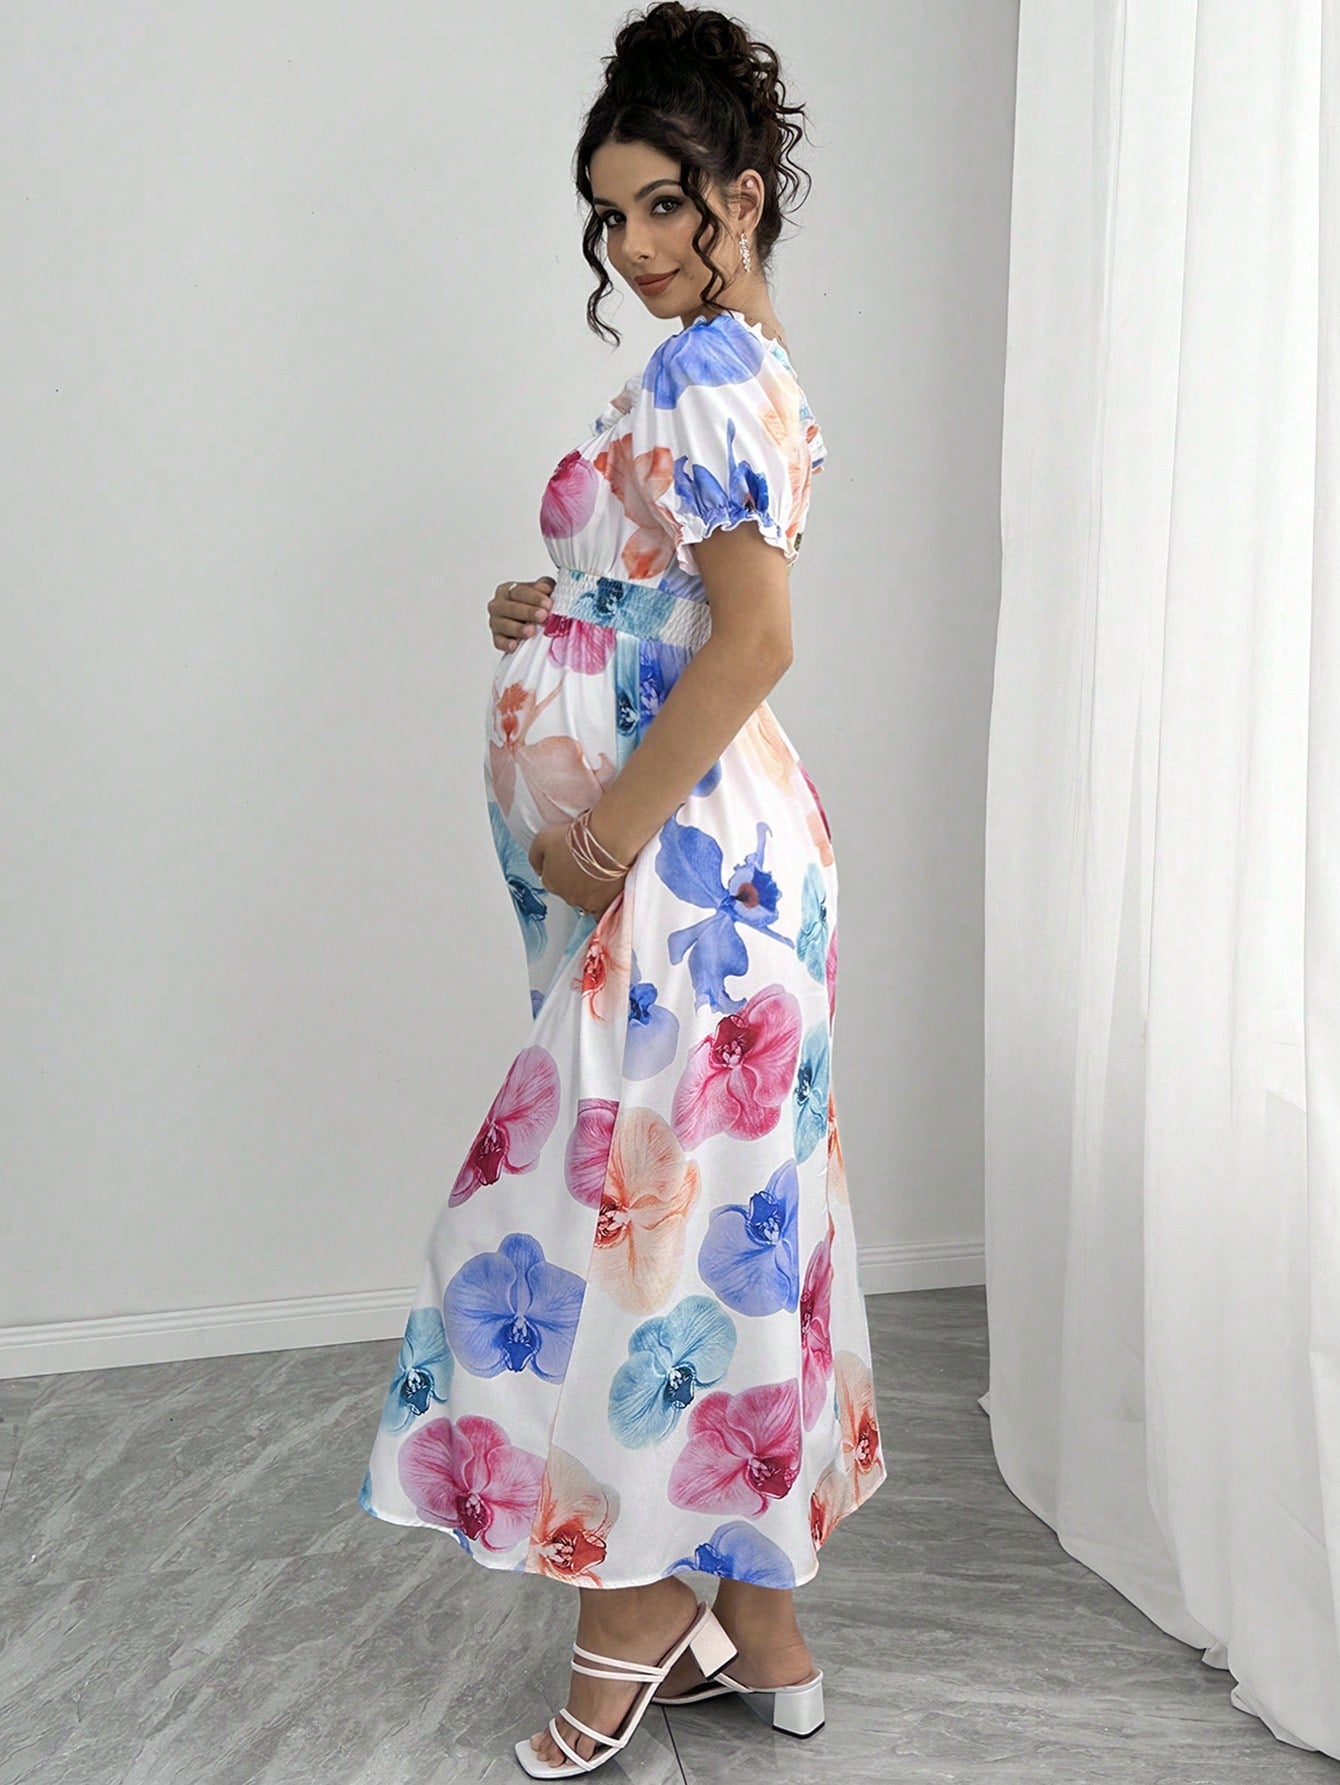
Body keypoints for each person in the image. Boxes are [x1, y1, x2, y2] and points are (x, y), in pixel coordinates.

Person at [358, 3, 888, 1774]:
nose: (635, 244)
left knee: (617, 1240)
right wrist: (562, 605)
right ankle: (770, 1636)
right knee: (715, 1228)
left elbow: (757, 639)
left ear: (741, 195)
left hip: (694, 879)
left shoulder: (705, 370)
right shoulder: (737, 356)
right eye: (611, 214)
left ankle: (639, 1616)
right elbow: (681, 592)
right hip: (713, 873)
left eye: (666, 204)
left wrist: (605, 841)